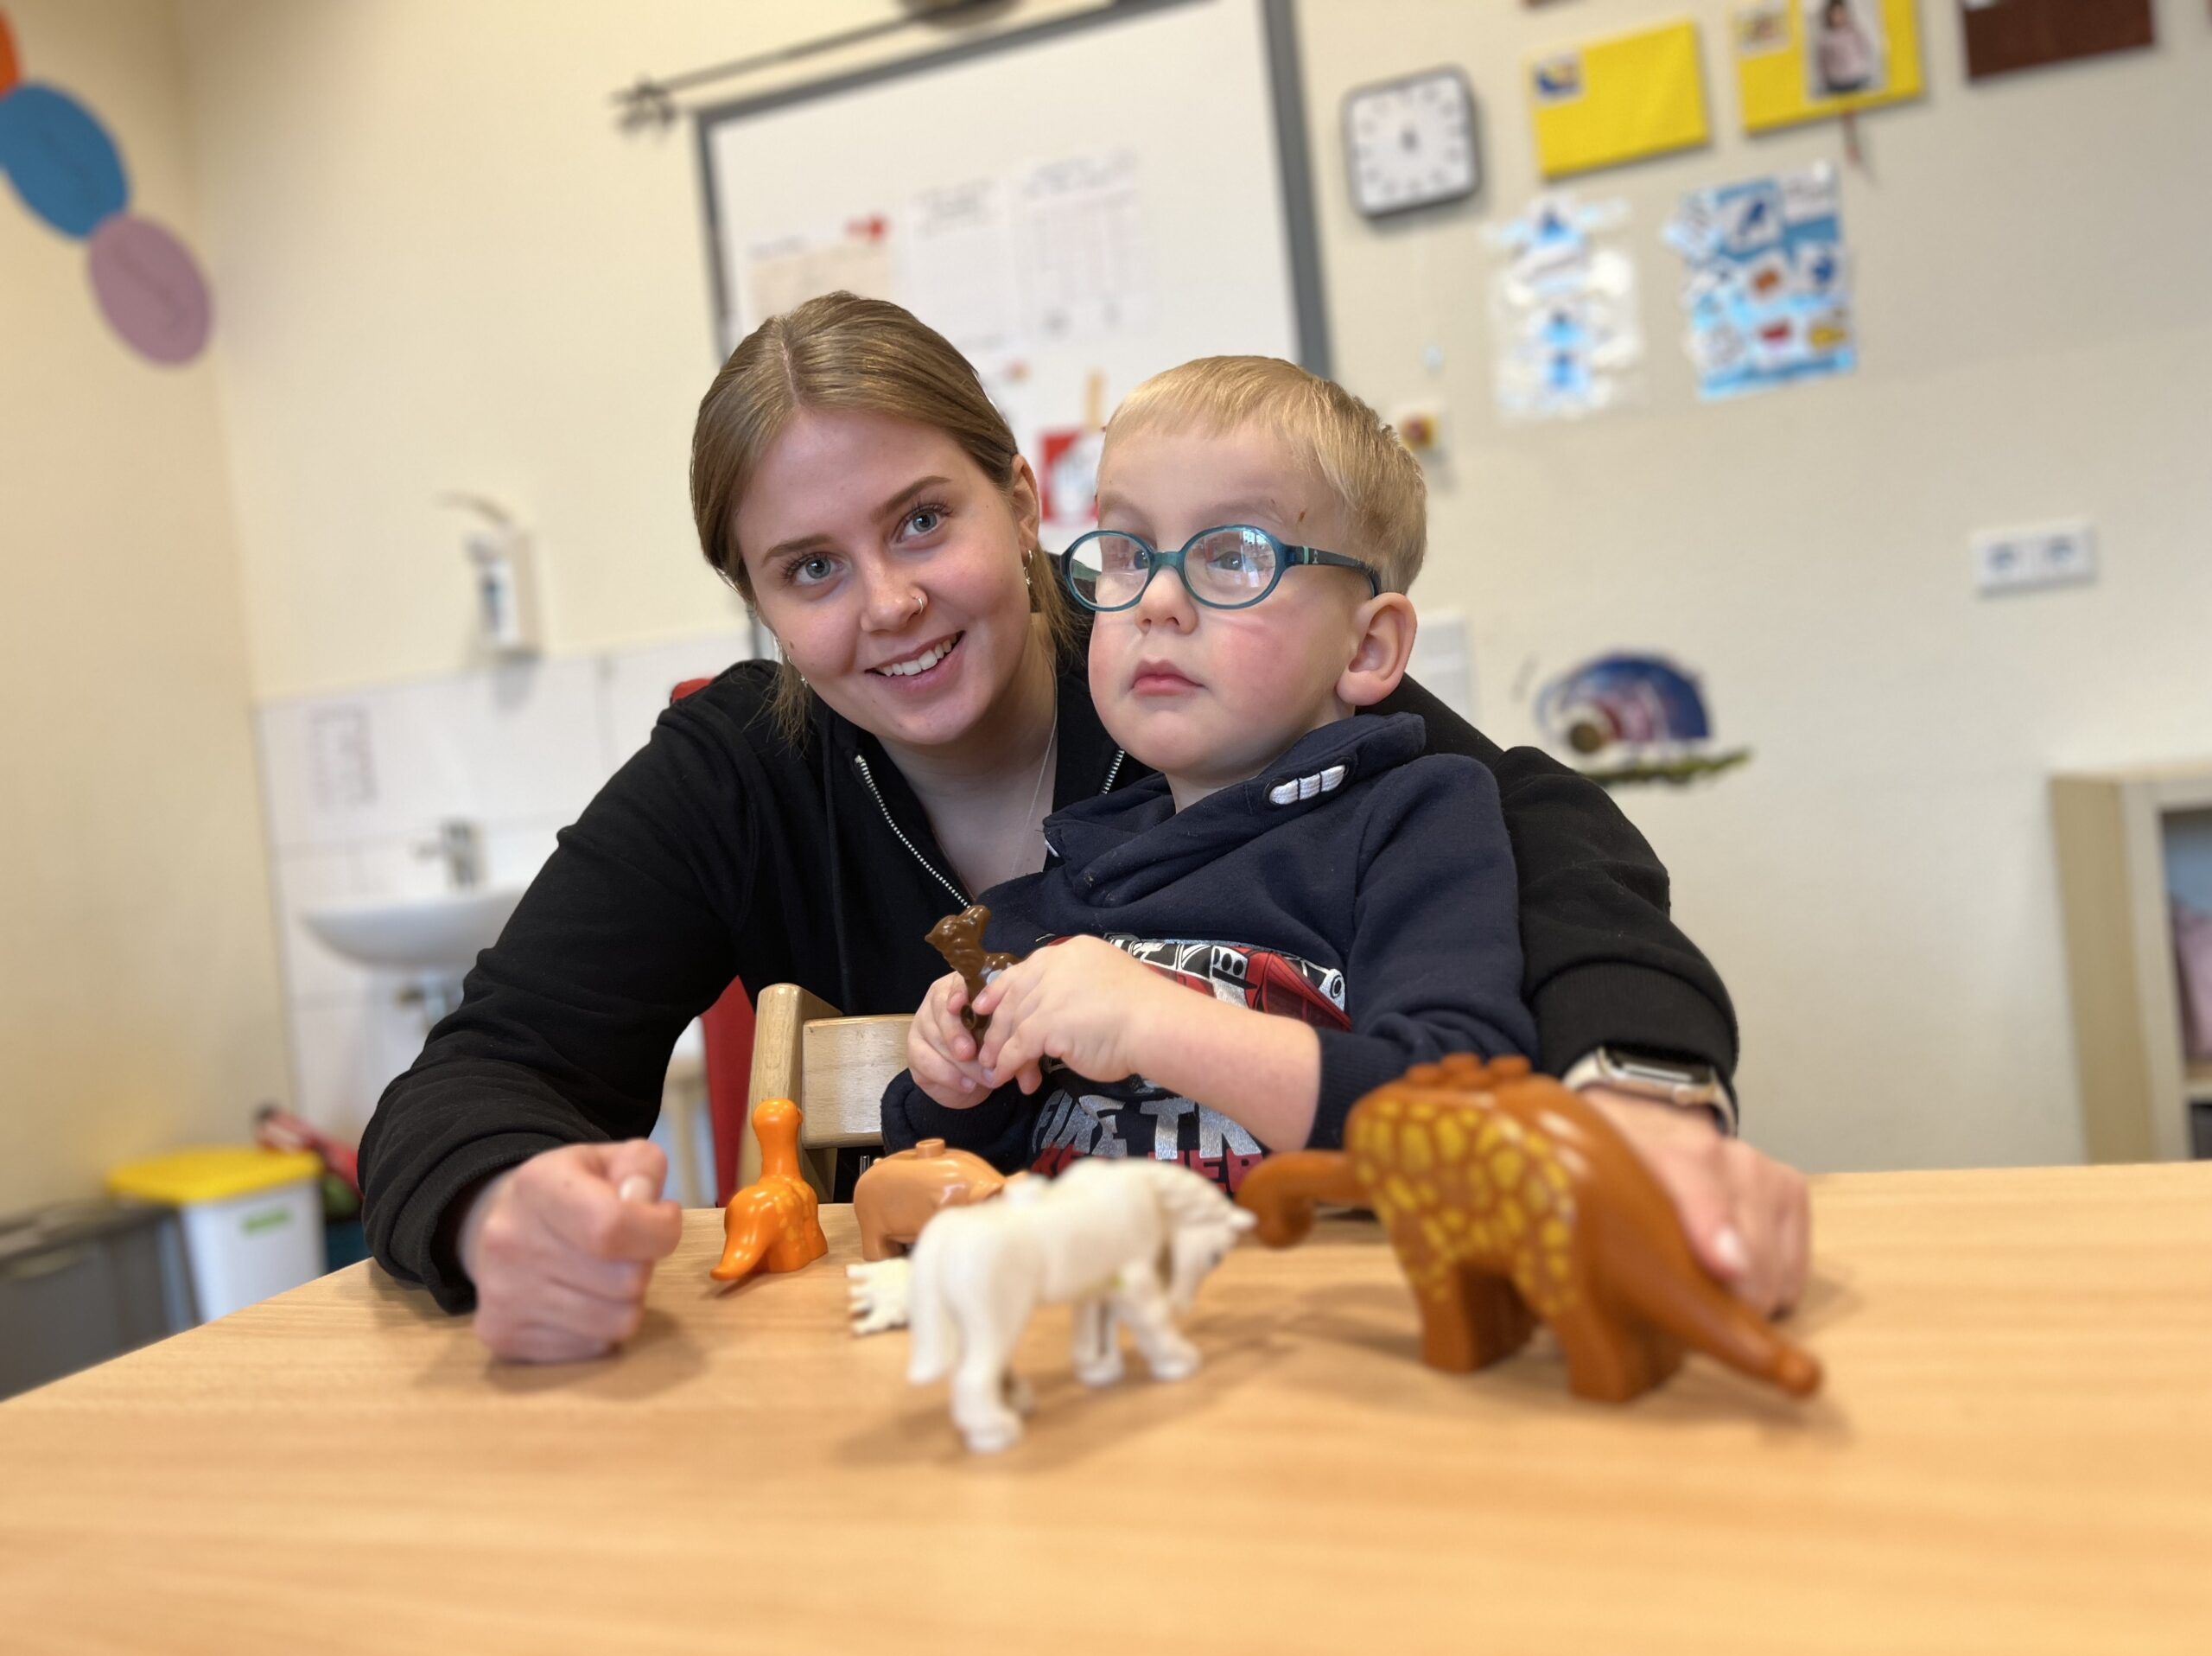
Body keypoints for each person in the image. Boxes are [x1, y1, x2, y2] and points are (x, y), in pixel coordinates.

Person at [358, 293, 1807, 1365]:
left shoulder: (1186, 670)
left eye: (923, 521)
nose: (888, 602)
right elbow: (485, 1072)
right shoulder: (735, 773)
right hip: (999, 1376)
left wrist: (1638, 1089)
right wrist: (496, 1208)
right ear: (760, 604)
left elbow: (1530, 822)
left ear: (1019, 496)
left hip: (1312, 1355)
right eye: (811, 568)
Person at [882, 356, 1535, 1190]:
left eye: (1232, 554)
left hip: (1320, 1306)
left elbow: (1465, 1122)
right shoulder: (1061, 883)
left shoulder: (1418, 821)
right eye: (1127, 551)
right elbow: (973, 1171)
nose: (1157, 598)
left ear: (1367, 648)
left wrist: (1156, 1023)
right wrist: (954, 1084)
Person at [1814, 0, 1877, 96]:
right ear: (1829, 15)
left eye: (1840, 12)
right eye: (1834, 13)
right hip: (1836, 83)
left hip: (1857, 79)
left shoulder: (1854, 31)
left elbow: (1865, 49)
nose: (1838, 17)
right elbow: (1822, 63)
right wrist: (1825, 83)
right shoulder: (1825, 38)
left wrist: (1863, 69)